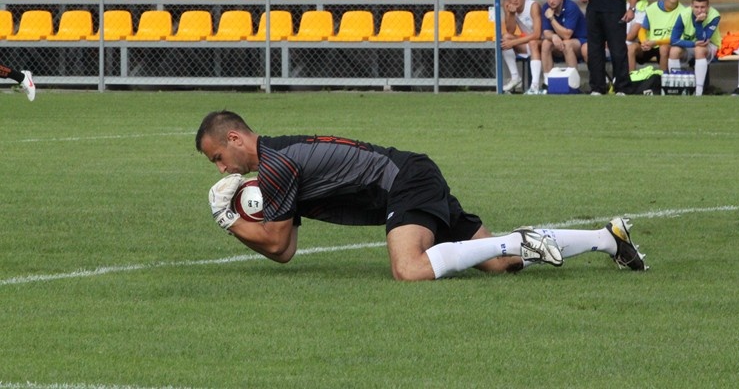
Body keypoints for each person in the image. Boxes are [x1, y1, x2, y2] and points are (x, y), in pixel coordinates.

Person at [196, 110, 647, 279]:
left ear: (236, 138)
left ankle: (525, 240)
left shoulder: (276, 165)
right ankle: (609, 238)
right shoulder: (277, 163)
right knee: (497, 262)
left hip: (404, 181)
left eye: (218, 157)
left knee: (409, 269)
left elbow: (274, 245)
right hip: (411, 174)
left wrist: (228, 220)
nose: (221, 170)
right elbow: (286, 249)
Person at [628, 0, 686, 74]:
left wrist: (656, 42)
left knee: (664, 48)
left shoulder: (684, 12)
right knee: (631, 48)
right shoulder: (653, 8)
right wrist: (643, 41)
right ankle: (631, 81)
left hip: (666, 46)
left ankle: (662, 82)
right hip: (649, 45)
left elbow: (677, 39)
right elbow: (643, 29)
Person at [668, 0, 721, 96]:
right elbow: (673, 40)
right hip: (691, 44)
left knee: (699, 49)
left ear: (708, 7)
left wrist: (698, 23)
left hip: (709, 46)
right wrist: (692, 43)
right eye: (696, 7)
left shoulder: (715, 15)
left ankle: (698, 91)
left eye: (702, 7)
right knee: (674, 50)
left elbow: (703, 40)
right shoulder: (684, 14)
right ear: (691, 6)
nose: (699, 10)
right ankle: (676, 88)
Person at [501, 0, 543, 93]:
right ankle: (515, 77)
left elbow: (537, 34)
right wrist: (511, 14)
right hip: (527, 42)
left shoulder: (533, 6)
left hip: (543, 42)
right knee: (506, 37)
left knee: (533, 42)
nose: (515, 0)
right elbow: (510, 30)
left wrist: (514, 43)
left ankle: (535, 85)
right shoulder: (508, 5)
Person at [540, 0, 588, 80]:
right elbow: (546, 32)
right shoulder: (546, 7)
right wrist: (553, 36)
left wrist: (552, 19)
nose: (551, 1)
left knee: (567, 44)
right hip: (559, 42)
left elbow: (567, 35)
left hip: (581, 40)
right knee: (545, 43)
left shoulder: (571, 6)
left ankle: (573, 83)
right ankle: (547, 82)